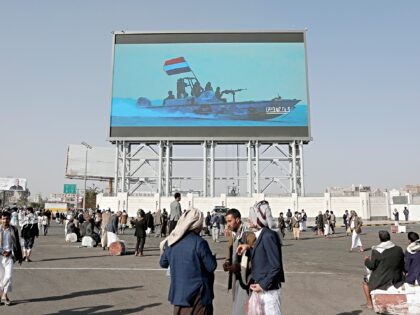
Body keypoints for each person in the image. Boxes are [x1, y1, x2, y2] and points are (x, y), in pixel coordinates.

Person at [160, 208, 217, 314]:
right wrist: (212, 257)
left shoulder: (171, 241)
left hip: (179, 296)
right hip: (197, 297)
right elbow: (211, 266)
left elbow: (163, 263)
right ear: (197, 224)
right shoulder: (200, 243)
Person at [237, 200, 285, 315]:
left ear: (258, 218)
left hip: (269, 292)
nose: (249, 220)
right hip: (263, 289)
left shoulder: (268, 235)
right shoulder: (262, 234)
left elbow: (275, 266)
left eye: (251, 217)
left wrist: (263, 285)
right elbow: (264, 255)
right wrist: (249, 248)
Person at [223, 208, 256, 315]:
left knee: (242, 309)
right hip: (236, 279)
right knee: (237, 306)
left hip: (246, 280)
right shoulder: (234, 235)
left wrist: (239, 267)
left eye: (229, 221)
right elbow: (230, 252)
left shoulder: (248, 235)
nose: (227, 224)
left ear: (237, 220)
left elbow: (257, 255)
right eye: (226, 222)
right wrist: (227, 262)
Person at [363, 230, 405, 309]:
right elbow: (402, 263)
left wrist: (366, 260)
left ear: (380, 239)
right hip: (397, 277)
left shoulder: (376, 251)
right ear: (389, 237)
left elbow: (371, 266)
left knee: (365, 281)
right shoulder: (398, 248)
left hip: (382, 278)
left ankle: (369, 303)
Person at [0, 211, 23, 306]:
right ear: (0, 219)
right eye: (4, 218)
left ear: (10, 219)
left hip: (10, 256)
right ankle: (5, 296)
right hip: (0, 256)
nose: (5, 220)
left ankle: (2, 293)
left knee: (8, 276)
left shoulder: (13, 229)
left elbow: (17, 243)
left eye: (7, 219)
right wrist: (2, 252)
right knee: (1, 277)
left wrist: (20, 256)